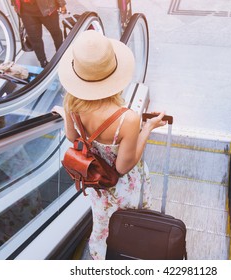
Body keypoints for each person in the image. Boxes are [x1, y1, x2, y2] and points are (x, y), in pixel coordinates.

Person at [53, 30, 167, 260]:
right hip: (122, 186)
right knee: (129, 221)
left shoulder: (71, 105)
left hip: (95, 179)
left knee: (102, 220)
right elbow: (124, 167)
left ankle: (101, 257)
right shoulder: (128, 119)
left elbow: (72, 137)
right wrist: (148, 128)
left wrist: (68, 118)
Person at [11, 0, 67, 67]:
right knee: (35, 39)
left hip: (47, 7)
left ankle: (61, 56)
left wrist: (62, 4)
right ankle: (43, 63)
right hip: (25, 10)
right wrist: (14, 4)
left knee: (55, 32)